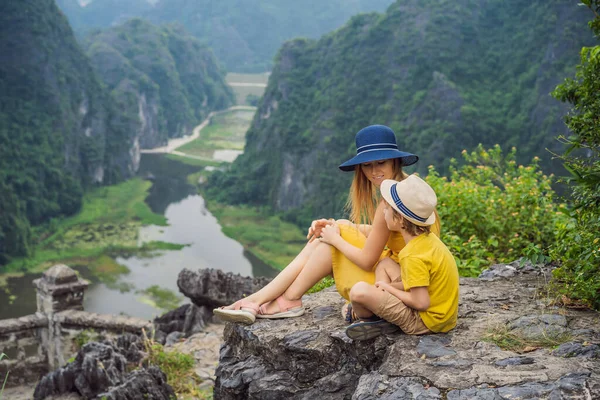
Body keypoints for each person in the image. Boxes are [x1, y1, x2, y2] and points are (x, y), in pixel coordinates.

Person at [213, 125, 441, 324]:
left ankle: (276, 300)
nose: (374, 171)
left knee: (327, 245)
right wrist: (338, 226)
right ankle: (268, 300)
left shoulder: (388, 205)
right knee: (337, 228)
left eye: (381, 162)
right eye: (367, 165)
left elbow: (367, 260)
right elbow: (391, 234)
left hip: (403, 286)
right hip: (407, 277)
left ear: (395, 161)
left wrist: (335, 238)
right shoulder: (409, 193)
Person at [344, 175, 459, 341]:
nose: (383, 211)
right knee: (384, 263)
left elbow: (421, 303)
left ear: (400, 219)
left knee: (358, 292)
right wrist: (387, 286)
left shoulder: (412, 254)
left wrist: (388, 288)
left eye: (387, 209)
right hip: (442, 316)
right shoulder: (427, 241)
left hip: (425, 322)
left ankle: (372, 320)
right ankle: (383, 315)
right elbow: (418, 283)